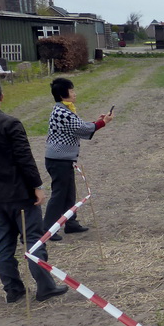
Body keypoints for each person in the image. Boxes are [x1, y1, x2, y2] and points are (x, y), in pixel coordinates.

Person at [0, 76, 69, 303]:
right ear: (2, 97)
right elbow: (24, 159)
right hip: (19, 194)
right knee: (33, 240)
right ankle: (45, 286)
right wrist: (37, 186)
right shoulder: (10, 123)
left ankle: (13, 289)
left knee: (3, 241)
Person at [43, 77, 113, 240]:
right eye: (72, 90)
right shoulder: (62, 112)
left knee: (69, 192)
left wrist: (99, 121)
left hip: (62, 159)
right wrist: (103, 122)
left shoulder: (65, 109)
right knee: (59, 194)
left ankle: (71, 222)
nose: (74, 93)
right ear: (63, 94)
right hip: (58, 160)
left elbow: (79, 126)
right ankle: (47, 228)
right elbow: (82, 128)